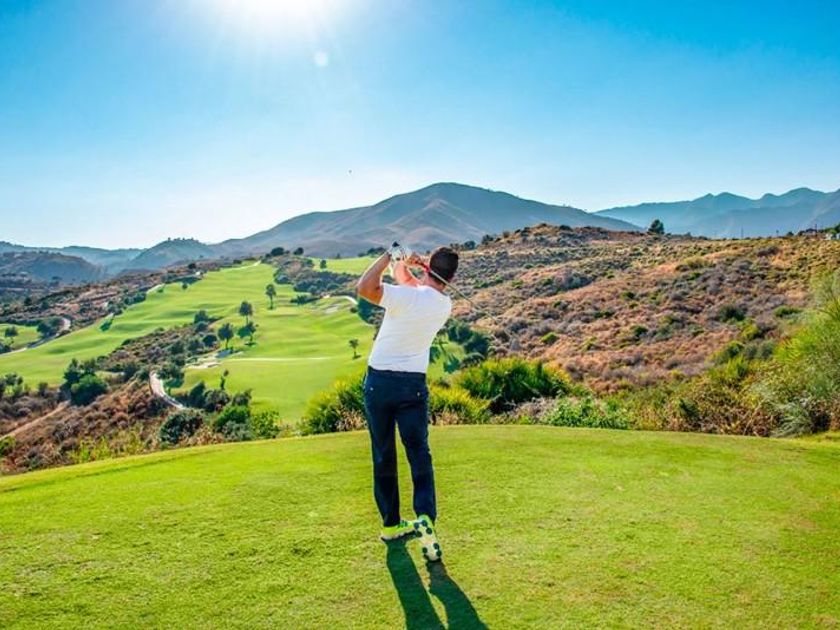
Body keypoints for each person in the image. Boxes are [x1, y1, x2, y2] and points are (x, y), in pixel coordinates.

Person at [356, 245, 459, 562]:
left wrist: (391, 256)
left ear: (428, 267)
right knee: (419, 453)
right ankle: (425, 517)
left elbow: (365, 288)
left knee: (383, 453)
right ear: (452, 277)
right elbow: (410, 284)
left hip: (380, 383)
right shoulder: (444, 305)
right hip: (412, 387)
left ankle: (391, 525)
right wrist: (406, 264)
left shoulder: (408, 297)